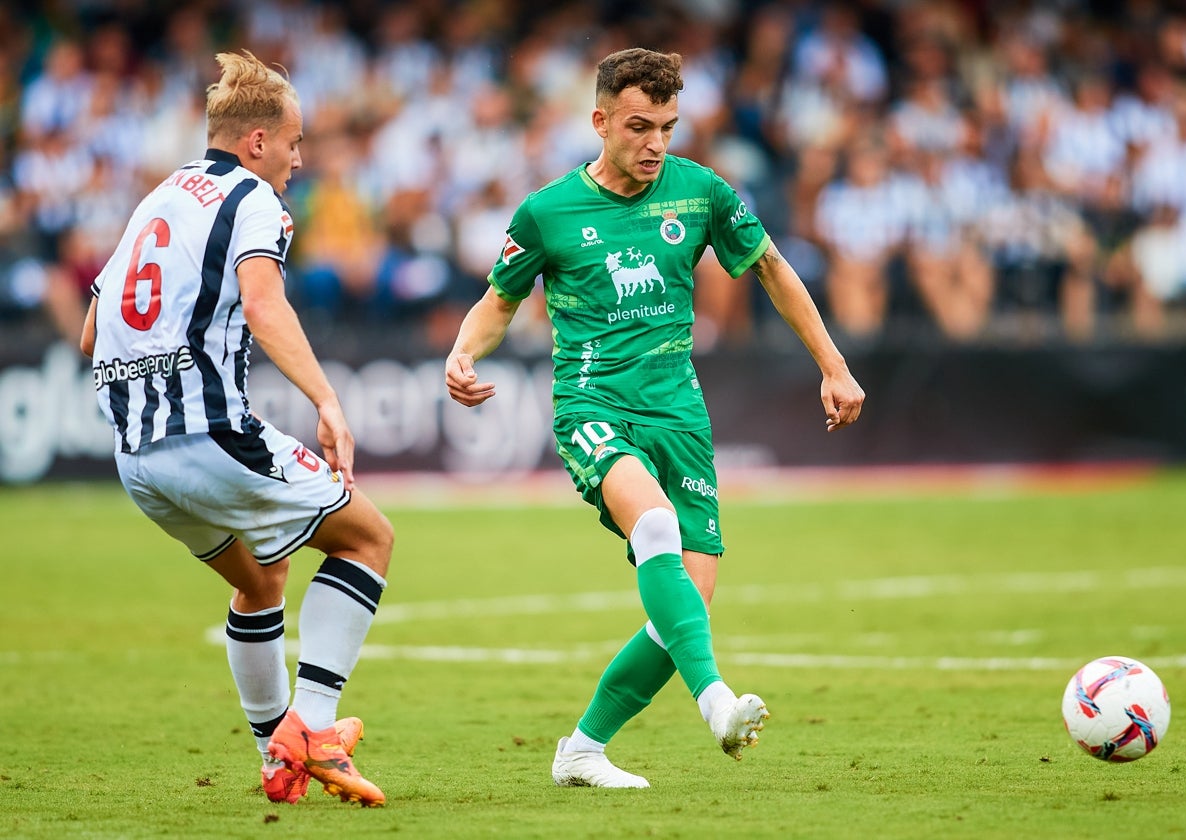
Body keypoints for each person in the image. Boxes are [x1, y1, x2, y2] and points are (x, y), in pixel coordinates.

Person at [445, 48, 865, 788]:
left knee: (686, 606)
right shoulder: (547, 212)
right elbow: (499, 299)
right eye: (639, 126)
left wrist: (833, 365)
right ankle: (716, 702)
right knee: (657, 528)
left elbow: (770, 266)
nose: (655, 144)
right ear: (600, 120)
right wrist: (463, 352)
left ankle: (581, 749)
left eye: (668, 127)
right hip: (593, 405)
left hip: (680, 413)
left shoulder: (699, 192)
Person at [79, 51, 392, 807]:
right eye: (293, 141)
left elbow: (92, 333)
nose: (298, 157)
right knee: (368, 537)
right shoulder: (253, 198)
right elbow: (264, 304)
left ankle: (276, 762)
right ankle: (312, 728)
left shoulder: (155, 199)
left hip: (138, 461)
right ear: (255, 142)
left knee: (260, 583)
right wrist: (327, 399)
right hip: (208, 434)